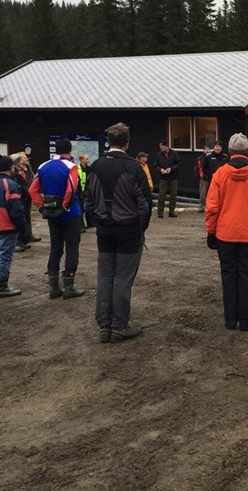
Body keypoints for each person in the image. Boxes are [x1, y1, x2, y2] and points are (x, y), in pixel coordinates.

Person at [85, 123, 153, 343]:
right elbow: (144, 205)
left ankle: (104, 325)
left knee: (105, 276)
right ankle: (119, 325)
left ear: (109, 142)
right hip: (128, 230)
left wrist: (97, 221)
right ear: (127, 143)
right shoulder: (133, 168)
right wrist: (140, 228)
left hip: (105, 229)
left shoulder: (95, 166)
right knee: (123, 278)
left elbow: (88, 201)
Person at [206, 133, 248, 331]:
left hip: (225, 234)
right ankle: (246, 321)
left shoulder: (219, 174)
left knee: (228, 276)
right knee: (246, 275)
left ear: (230, 152)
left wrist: (211, 231)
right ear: (247, 151)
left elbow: (212, 207)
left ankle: (229, 320)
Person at [29, 137, 85, 299]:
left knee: (55, 248)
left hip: (51, 213)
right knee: (72, 248)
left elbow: (33, 190)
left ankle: (54, 288)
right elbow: (71, 189)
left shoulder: (43, 166)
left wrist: (41, 206)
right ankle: (69, 286)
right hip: (70, 213)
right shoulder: (71, 167)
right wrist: (65, 206)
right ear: (69, 151)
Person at [0, 155, 26, 298]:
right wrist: (22, 225)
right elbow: (16, 209)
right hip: (7, 225)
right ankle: (2, 285)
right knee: (5, 255)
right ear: (11, 168)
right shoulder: (11, 184)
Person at [154, 140, 181, 218]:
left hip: (173, 177)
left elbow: (179, 164)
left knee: (173, 195)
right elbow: (155, 165)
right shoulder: (158, 155)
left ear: (167, 146)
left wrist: (171, 169)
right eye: (160, 147)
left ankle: (171, 211)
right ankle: (160, 212)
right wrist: (160, 169)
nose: (161, 148)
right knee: (161, 195)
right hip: (163, 178)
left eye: (162, 146)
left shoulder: (174, 154)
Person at [77, 153, 94, 230]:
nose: (88, 160)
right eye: (86, 159)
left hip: (88, 192)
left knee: (89, 208)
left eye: (88, 158)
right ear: (81, 160)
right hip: (80, 192)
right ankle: (81, 226)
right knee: (81, 210)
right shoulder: (77, 169)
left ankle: (90, 223)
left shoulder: (89, 169)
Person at [195, 145, 211, 213]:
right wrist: (199, 175)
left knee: (211, 193)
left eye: (208, 149)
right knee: (202, 193)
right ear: (203, 150)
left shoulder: (212, 157)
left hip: (211, 177)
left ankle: (210, 206)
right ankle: (201, 206)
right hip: (203, 177)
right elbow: (197, 167)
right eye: (205, 149)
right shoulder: (200, 158)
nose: (207, 150)